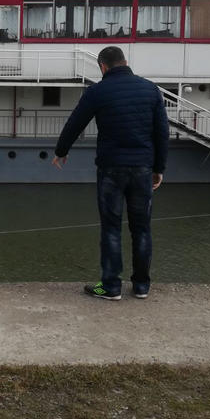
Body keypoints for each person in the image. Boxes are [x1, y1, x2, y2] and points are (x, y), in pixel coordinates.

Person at [52, 46, 169, 300]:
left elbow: (76, 121)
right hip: (142, 169)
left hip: (111, 169)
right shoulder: (150, 90)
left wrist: (61, 150)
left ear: (103, 66)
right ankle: (141, 286)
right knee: (142, 229)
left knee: (111, 228)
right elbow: (162, 132)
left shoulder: (98, 91)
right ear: (125, 62)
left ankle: (111, 287)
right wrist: (159, 168)